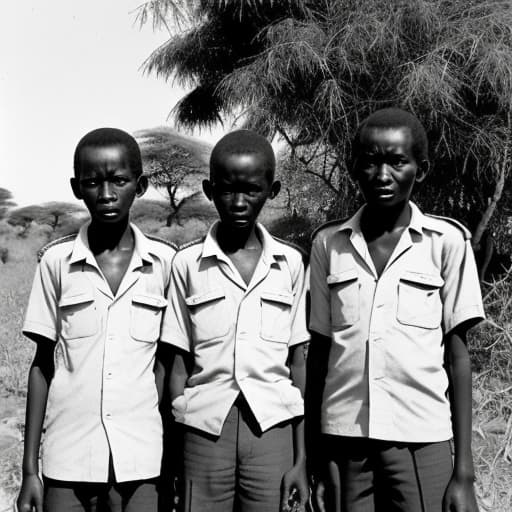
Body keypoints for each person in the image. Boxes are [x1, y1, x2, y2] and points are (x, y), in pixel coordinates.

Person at [307, 108, 485, 512]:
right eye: (370, 162)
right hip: (346, 440)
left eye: (397, 161)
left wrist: (464, 470)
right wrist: (316, 456)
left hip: (420, 438)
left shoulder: (447, 242)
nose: (382, 175)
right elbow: (319, 353)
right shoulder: (328, 245)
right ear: (354, 168)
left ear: (420, 170)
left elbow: (457, 358)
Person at [16, 128, 176, 512]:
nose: (106, 195)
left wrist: (171, 465)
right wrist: (29, 472)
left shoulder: (166, 264)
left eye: (119, 181)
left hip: (141, 461)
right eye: (92, 182)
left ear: (140, 186)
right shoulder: (55, 262)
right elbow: (42, 365)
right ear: (76, 187)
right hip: (68, 459)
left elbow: (168, 367)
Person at [160, 129, 310, 512]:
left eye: (252, 190)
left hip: (271, 431)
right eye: (227, 190)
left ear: (272, 191)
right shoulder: (187, 264)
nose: (239, 202)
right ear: (210, 190)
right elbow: (177, 363)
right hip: (204, 432)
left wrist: (300, 457)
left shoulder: (290, 264)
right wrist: (176, 453)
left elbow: (297, 364)